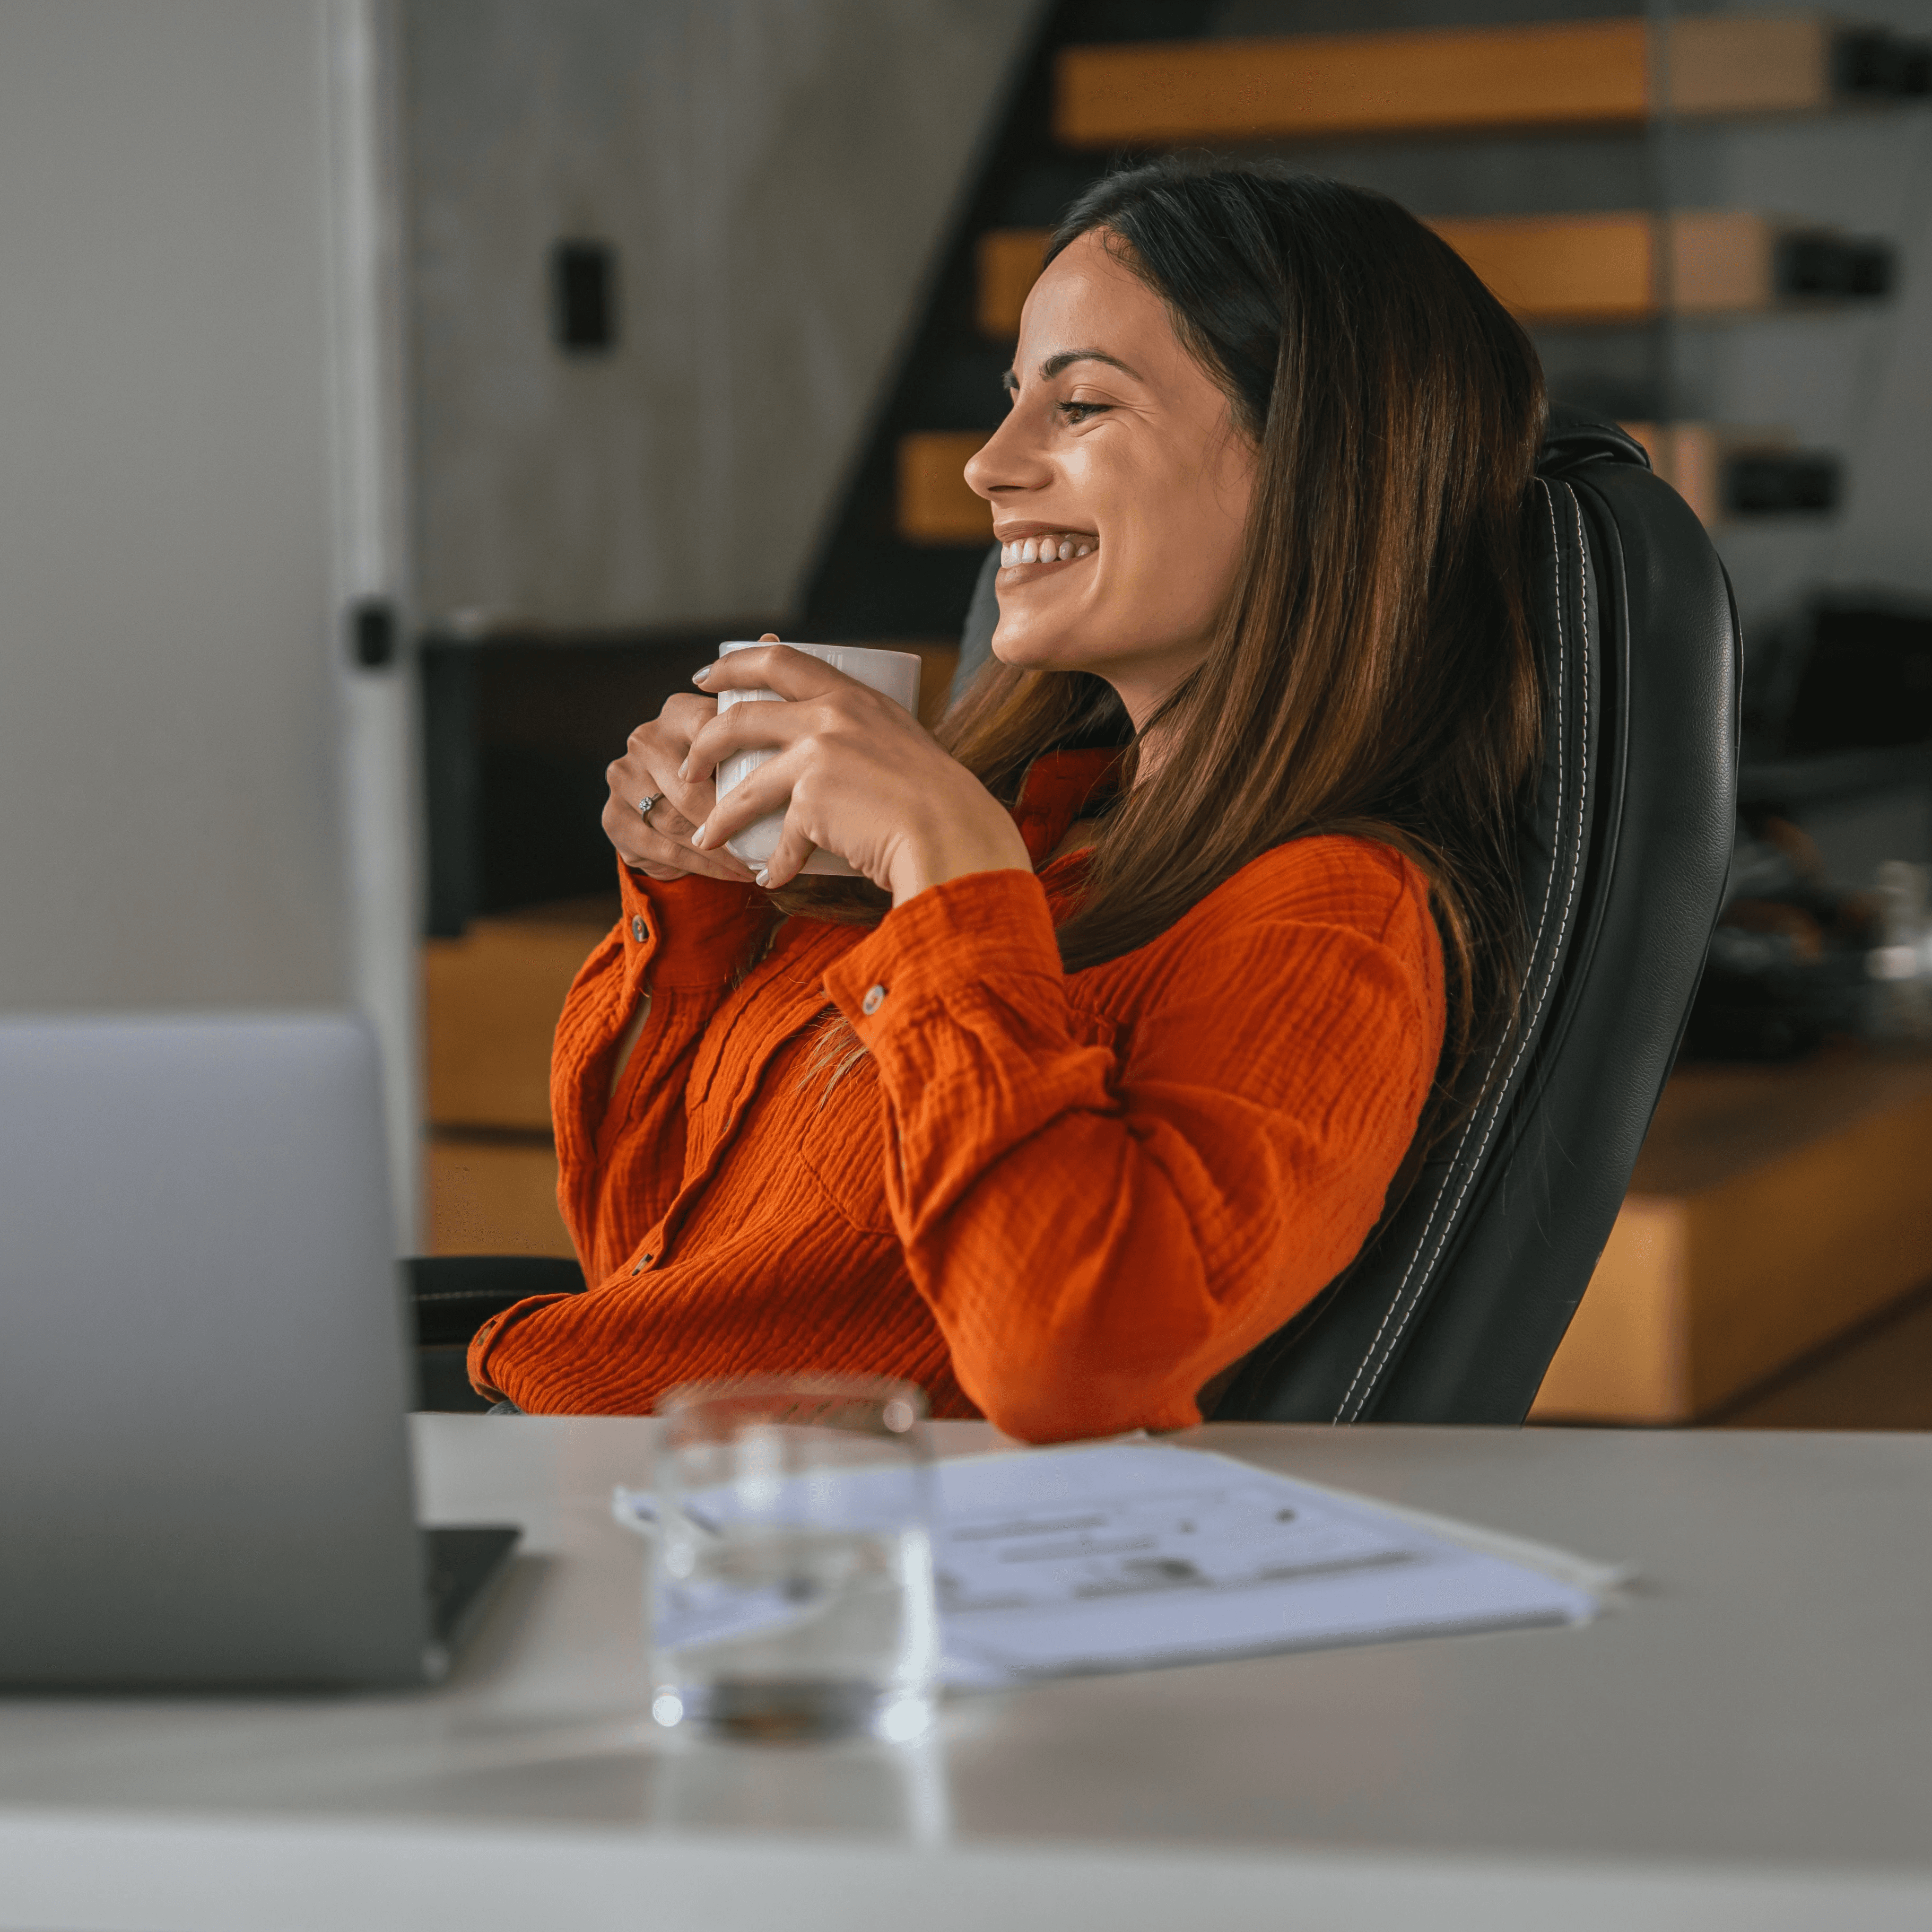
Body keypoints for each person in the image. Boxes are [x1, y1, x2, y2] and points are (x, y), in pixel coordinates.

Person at [468, 161, 1547, 1440]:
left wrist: (949, 871)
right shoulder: (1042, 840)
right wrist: (699, 914)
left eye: (1080, 405)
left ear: (1314, 464)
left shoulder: (1330, 920)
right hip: (601, 1476)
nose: (989, 466)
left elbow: (1071, 1364)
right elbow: (650, 1265)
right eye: (1010, 400)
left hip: (772, 1547)